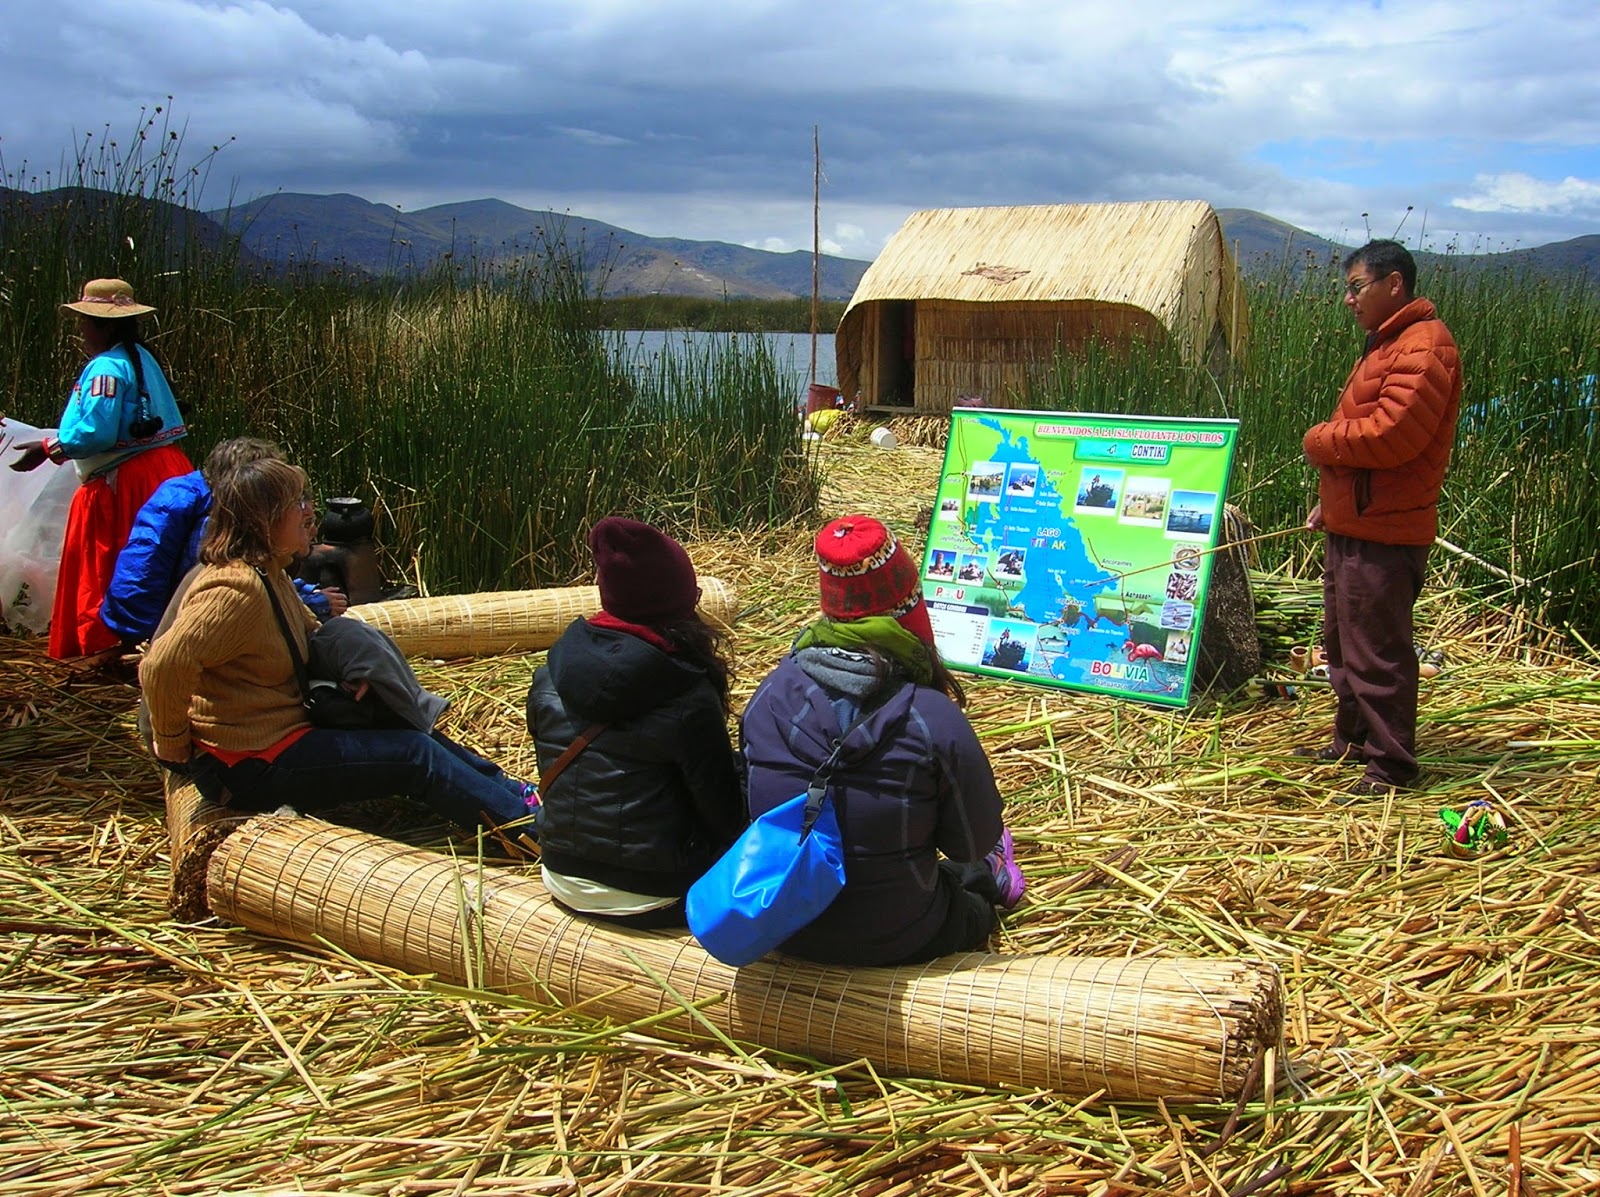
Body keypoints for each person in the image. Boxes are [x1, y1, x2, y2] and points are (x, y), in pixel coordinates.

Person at [140, 457, 537, 844]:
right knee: (415, 757)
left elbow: (308, 632)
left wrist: (354, 674)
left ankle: (514, 793)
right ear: (265, 520)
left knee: (402, 723)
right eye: (297, 504)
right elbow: (163, 665)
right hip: (249, 765)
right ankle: (534, 833)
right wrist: (173, 745)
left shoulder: (268, 571)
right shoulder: (232, 591)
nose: (308, 511)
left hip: (284, 732)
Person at [741, 514, 1024, 966]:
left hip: (781, 924)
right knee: (974, 880)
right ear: (911, 610)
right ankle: (995, 878)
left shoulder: (768, 697)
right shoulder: (931, 718)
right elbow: (970, 841)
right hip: (900, 936)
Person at [1301, 239, 1463, 797]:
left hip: (1387, 531)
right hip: (1358, 522)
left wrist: (1318, 441)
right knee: (1343, 643)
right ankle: (1351, 741)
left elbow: (1392, 436)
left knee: (1377, 650)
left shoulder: (1424, 347)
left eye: (1356, 287)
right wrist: (1332, 503)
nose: (1348, 299)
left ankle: (1391, 768)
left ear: (1394, 284)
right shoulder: (1386, 344)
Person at [526, 517, 745, 927]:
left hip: (559, 871)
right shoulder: (686, 693)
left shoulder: (550, 672)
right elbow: (725, 818)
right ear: (677, 604)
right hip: (652, 889)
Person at [8, 278, 194, 659]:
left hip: (125, 481)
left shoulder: (106, 368)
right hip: (166, 470)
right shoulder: (142, 358)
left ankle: (104, 648)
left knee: (111, 561)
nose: (80, 330)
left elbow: (96, 431)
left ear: (105, 325)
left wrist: (48, 448)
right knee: (159, 559)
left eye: (85, 321)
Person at [101, 437, 346, 645]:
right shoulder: (215, 528)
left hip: (140, 622)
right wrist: (314, 603)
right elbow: (242, 592)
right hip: (161, 632)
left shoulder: (194, 496)